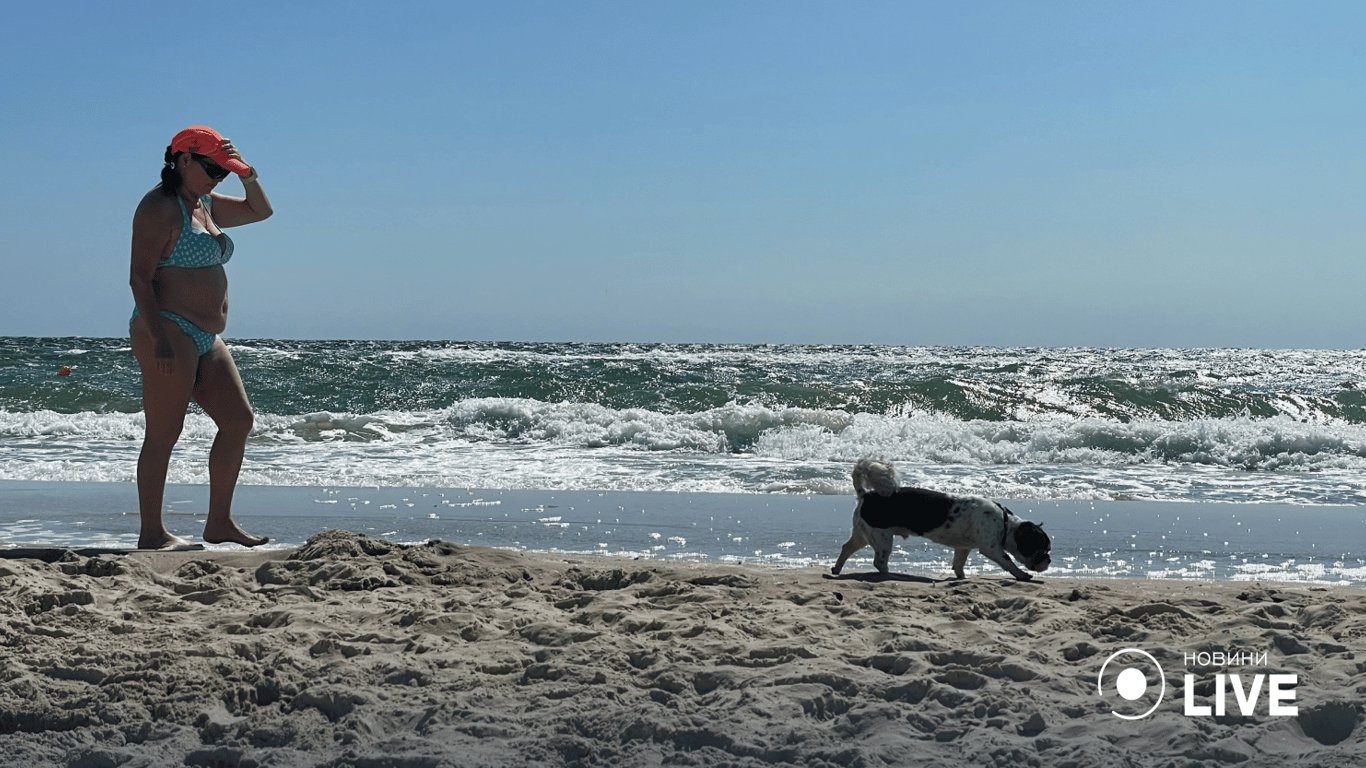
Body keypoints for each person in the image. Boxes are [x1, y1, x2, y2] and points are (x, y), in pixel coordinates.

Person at [128, 126, 273, 549]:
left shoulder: (205, 204)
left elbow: (260, 211)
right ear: (183, 159)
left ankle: (219, 523)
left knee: (238, 420)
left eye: (223, 171)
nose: (217, 177)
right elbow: (139, 279)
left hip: (205, 335)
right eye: (212, 168)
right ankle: (152, 534)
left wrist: (246, 171)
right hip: (166, 326)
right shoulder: (158, 207)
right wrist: (160, 340)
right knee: (163, 432)